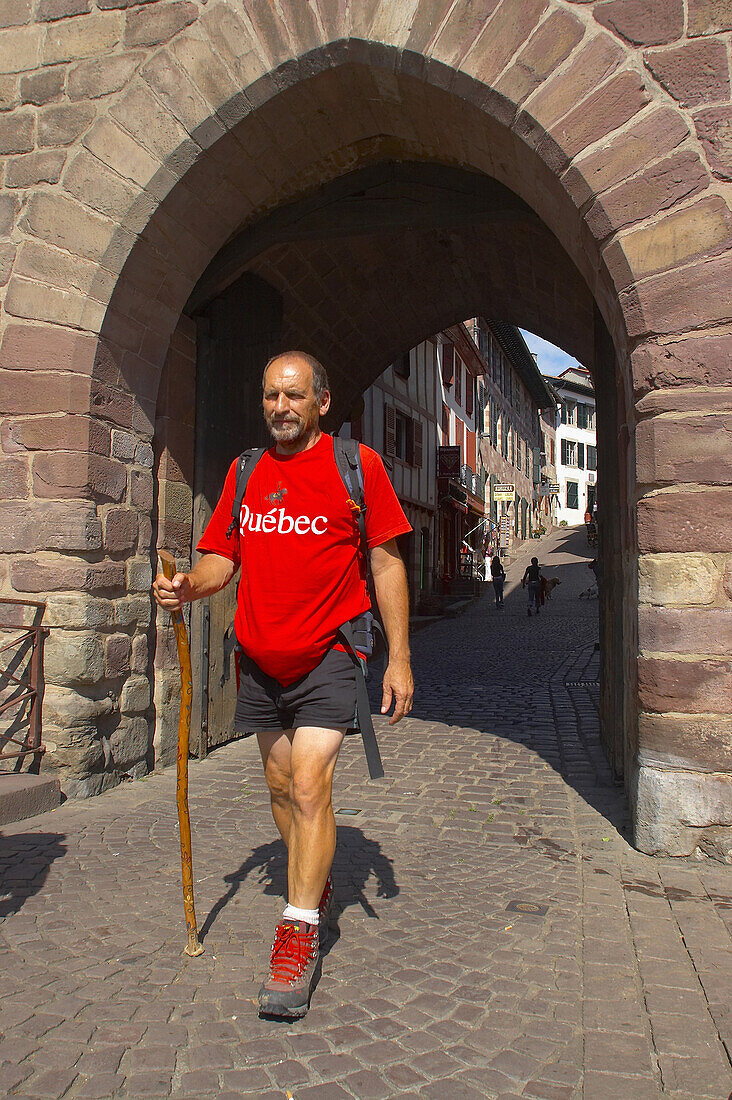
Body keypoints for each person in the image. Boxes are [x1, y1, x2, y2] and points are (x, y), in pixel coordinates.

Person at [153, 351, 413, 1019]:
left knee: (307, 782)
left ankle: (298, 933)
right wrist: (188, 585)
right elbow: (221, 559)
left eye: (293, 395)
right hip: (261, 658)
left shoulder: (358, 467)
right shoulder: (247, 472)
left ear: (322, 402)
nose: (279, 407)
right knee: (277, 785)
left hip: (331, 650)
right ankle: (313, 878)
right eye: (271, 394)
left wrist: (401, 657)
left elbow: (385, 564)